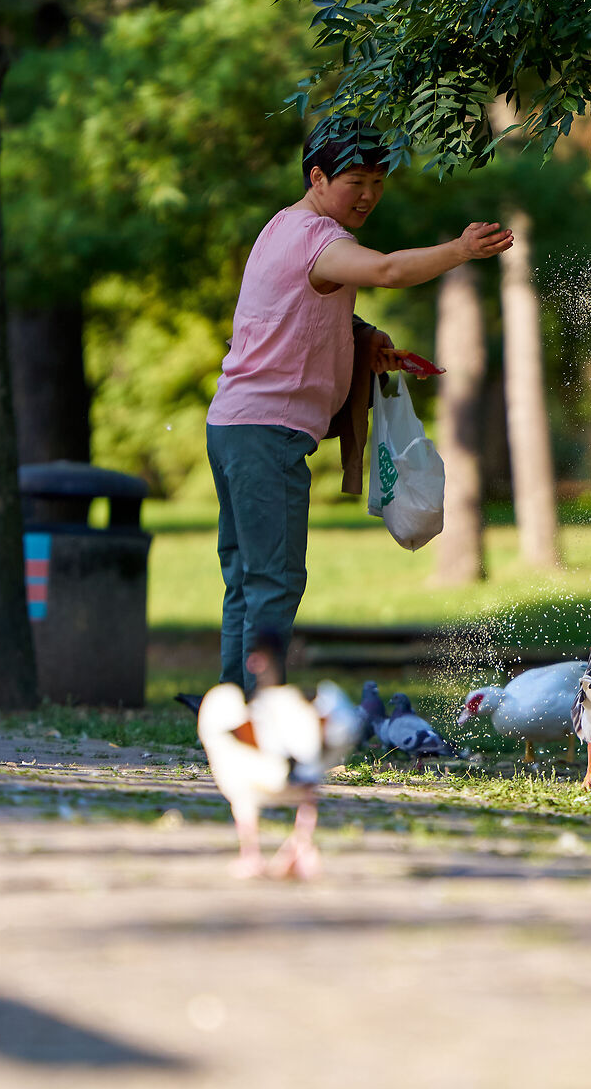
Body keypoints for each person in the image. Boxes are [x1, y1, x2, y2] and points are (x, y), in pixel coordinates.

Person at [206, 117, 514, 688]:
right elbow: (388, 269)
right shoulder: (319, 241)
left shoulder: (281, 228)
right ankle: (255, 716)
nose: (369, 194)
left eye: (378, 180)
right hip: (264, 432)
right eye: (355, 181)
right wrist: (460, 250)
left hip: (232, 425)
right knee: (273, 582)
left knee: (246, 580)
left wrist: (364, 336)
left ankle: (233, 710)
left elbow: (309, 313)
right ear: (317, 177)